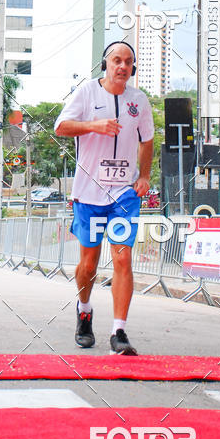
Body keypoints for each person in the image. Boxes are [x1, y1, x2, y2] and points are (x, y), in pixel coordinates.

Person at [55, 41, 154, 356]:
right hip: (89, 193)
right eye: (116, 60)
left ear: (133, 68)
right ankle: (84, 310)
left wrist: (144, 176)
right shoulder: (86, 93)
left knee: (123, 257)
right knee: (89, 263)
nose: (122, 66)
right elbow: (61, 126)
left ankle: (119, 331)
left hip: (123, 194)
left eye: (127, 62)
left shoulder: (139, 101)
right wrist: (93, 126)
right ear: (105, 64)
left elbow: (147, 141)